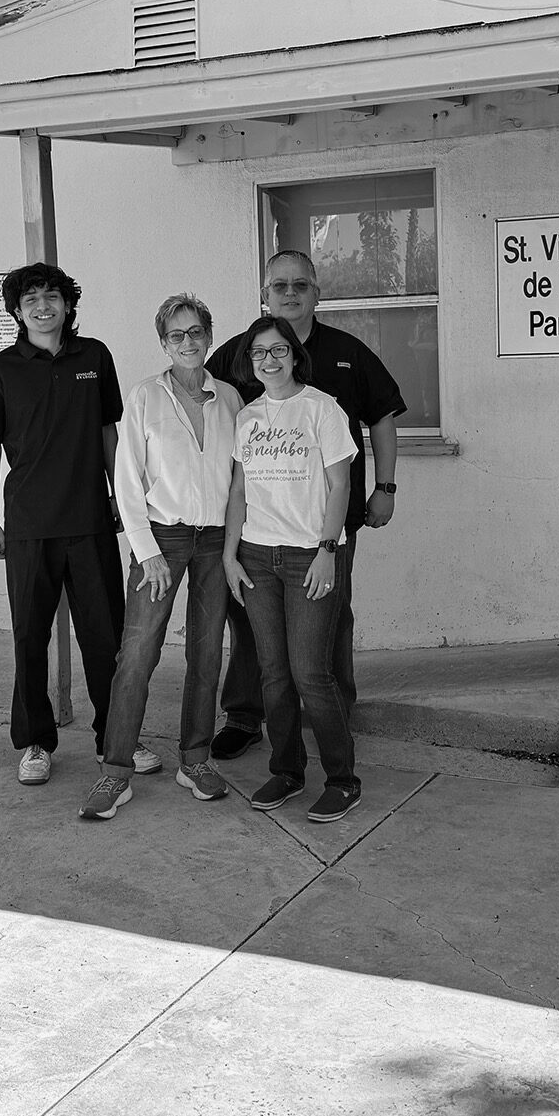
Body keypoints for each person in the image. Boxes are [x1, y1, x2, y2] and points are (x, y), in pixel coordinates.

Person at [205, 250, 404, 760]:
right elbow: (206, 413)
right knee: (251, 624)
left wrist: (385, 487)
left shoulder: (347, 352)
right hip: (259, 532)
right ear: (264, 295)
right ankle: (246, 716)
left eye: (300, 284)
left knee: (331, 617)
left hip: (325, 528)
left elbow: (382, 416)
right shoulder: (236, 352)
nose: (289, 293)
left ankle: (331, 712)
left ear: (316, 292)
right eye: (278, 286)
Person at [0, 262, 144, 787]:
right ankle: (34, 742)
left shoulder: (94, 356)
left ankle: (114, 739)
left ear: (68, 305)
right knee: (30, 635)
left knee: (106, 635)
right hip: (27, 523)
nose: (43, 307)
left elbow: (108, 431)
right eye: (31, 300)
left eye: (52, 296)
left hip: (91, 519)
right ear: (17, 311)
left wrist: (122, 495)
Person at [79, 295, 242, 821]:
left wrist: (236, 545)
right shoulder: (146, 397)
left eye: (196, 332)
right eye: (177, 335)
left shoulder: (231, 398)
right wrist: (146, 551)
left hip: (216, 541)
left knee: (206, 652)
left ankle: (195, 759)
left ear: (209, 335)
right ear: (163, 343)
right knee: (137, 654)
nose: (188, 342)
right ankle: (116, 771)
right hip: (163, 540)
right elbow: (127, 481)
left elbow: (240, 479)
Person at [222, 318, 361, 821]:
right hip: (257, 556)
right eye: (259, 352)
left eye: (279, 349)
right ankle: (287, 769)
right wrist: (228, 555)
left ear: (294, 353)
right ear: (249, 360)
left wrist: (329, 549)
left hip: (310, 554)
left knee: (310, 674)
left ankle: (343, 780)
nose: (270, 360)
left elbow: (340, 486)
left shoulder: (322, 408)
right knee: (274, 674)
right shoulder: (248, 416)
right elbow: (239, 491)